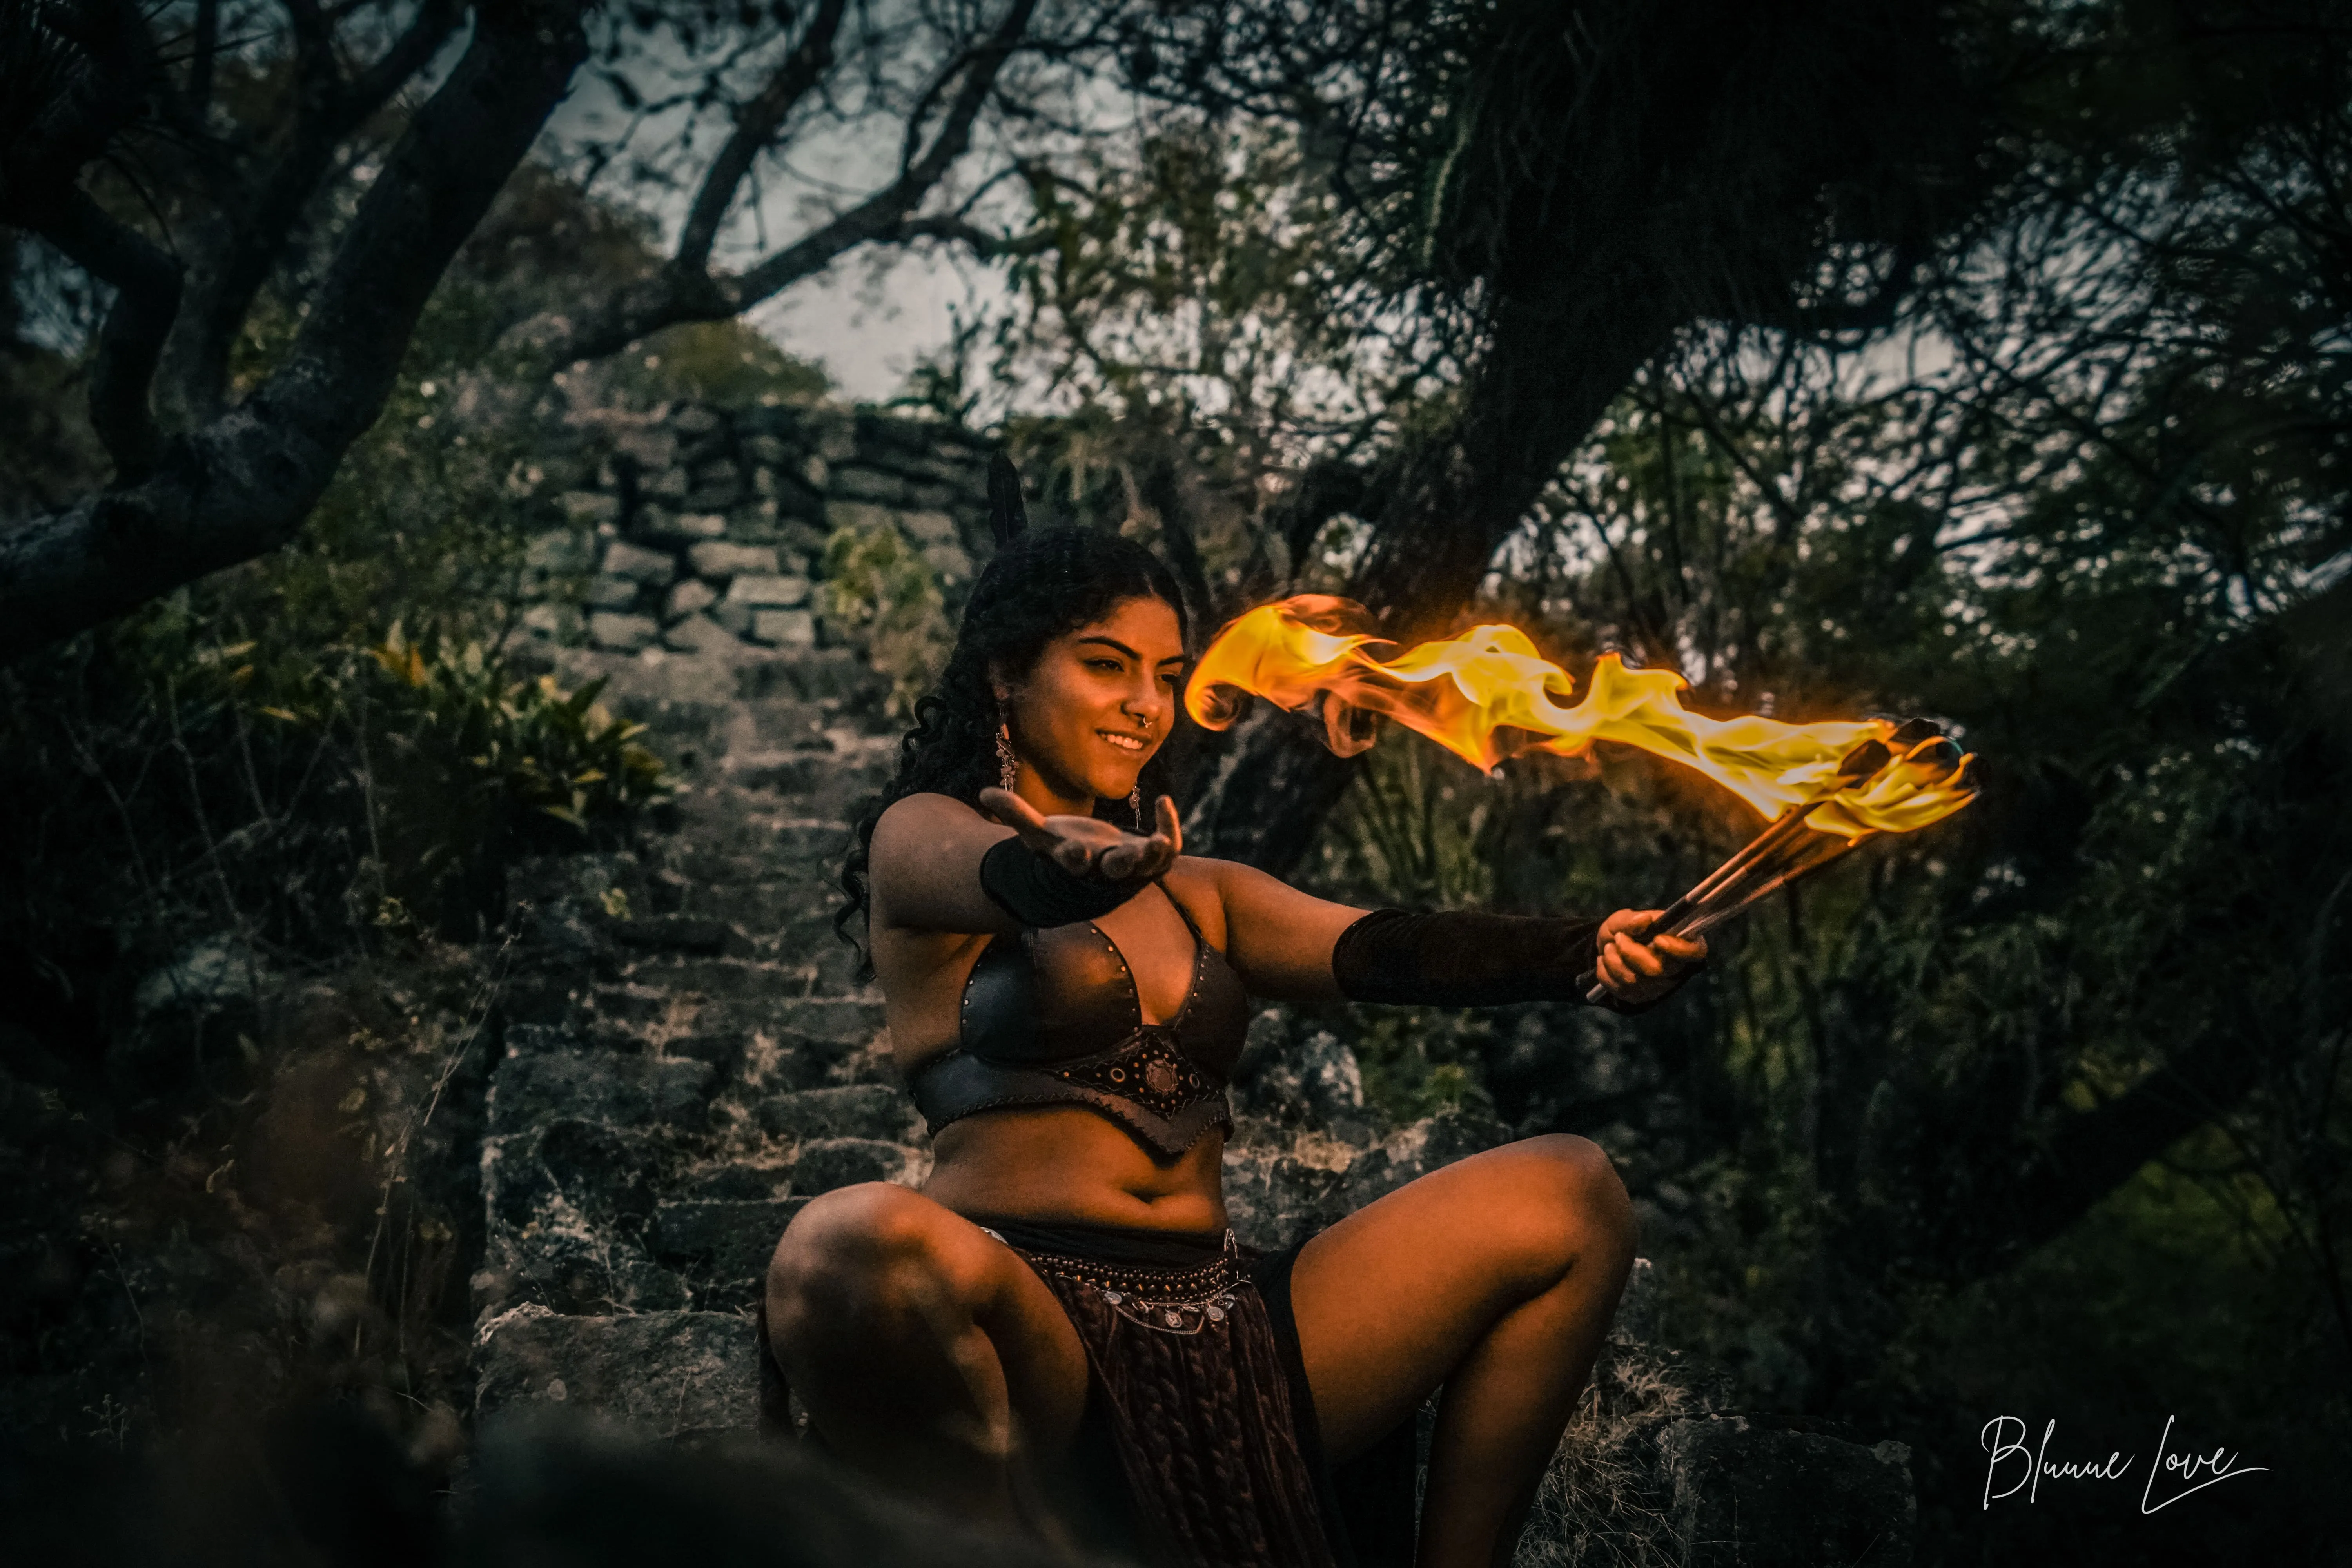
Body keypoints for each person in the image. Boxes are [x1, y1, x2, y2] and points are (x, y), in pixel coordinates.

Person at [764, 472, 1706, 1568]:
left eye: (1166, 677)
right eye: (1106, 665)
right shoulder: (923, 836)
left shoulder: (1201, 895)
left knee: (1570, 1191)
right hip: (1037, 1328)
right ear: (1005, 675)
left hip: (1232, 1324)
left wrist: (1587, 951)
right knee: (847, 1244)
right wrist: (1064, 867)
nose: (1145, 705)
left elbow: (1386, 949)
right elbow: (1002, 875)